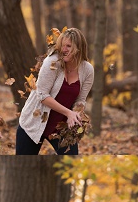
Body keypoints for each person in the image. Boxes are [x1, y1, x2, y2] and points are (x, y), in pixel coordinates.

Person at [16, 27, 94, 155]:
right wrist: (68, 112)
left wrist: (74, 114)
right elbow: (41, 95)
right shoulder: (52, 62)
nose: (64, 50)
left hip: (62, 128)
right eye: (62, 45)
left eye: (69, 46)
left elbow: (81, 100)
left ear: (79, 48)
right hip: (33, 123)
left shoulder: (87, 70)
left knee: (71, 164)